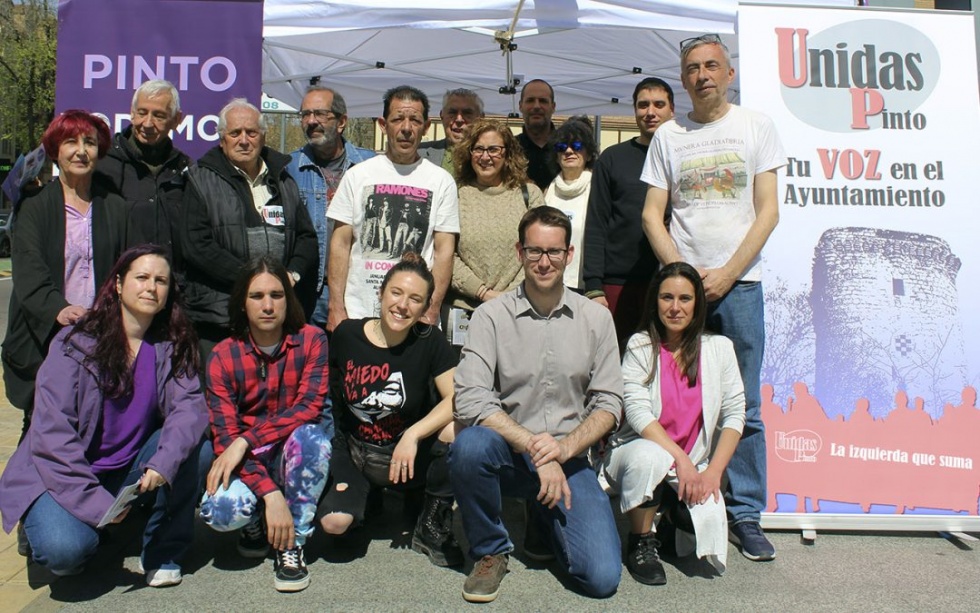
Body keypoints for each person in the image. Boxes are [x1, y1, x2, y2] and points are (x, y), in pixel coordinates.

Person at [641, 33, 785, 561]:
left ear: (729, 73)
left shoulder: (756, 126)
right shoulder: (668, 135)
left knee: (744, 405)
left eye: (711, 66)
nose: (702, 75)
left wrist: (727, 273)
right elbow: (651, 215)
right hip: (683, 293)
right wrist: (682, 277)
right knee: (671, 400)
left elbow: (768, 211)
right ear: (683, 80)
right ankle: (669, 506)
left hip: (740, 286)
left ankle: (745, 513)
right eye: (692, 69)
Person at [0, 245, 208, 587]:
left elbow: (189, 409)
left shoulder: (171, 343)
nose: (151, 287)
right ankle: (53, 521)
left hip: (125, 469)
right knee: (65, 552)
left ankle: (163, 549)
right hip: (61, 472)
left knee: (196, 450)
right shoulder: (75, 342)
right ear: (118, 284)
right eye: (141, 277)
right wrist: (96, 505)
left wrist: (163, 462)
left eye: (161, 281)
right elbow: (53, 438)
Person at [451, 206, 623, 603]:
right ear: (520, 252)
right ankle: (491, 549)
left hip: (570, 456)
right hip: (509, 453)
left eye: (554, 252)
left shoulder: (596, 320)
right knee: (469, 447)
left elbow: (609, 402)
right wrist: (534, 447)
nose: (544, 262)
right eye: (534, 251)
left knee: (601, 578)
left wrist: (561, 450)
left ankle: (545, 518)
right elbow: (471, 397)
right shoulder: (490, 317)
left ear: (569, 254)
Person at [603, 262, 745, 585]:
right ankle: (640, 540)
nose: (675, 307)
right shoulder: (640, 345)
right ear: (655, 301)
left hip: (693, 464)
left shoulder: (720, 349)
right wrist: (680, 460)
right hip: (641, 451)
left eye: (685, 298)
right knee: (649, 457)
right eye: (667, 297)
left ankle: (668, 517)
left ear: (698, 303)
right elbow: (638, 413)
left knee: (694, 531)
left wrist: (713, 473)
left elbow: (735, 413)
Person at [317, 253, 462, 567]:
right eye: (396, 293)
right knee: (335, 524)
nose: (403, 305)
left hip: (407, 457)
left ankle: (430, 519)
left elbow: (457, 398)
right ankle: (367, 496)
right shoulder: (347, 335)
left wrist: (413, 434)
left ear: (425, 308)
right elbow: (333, 403)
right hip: (356, 453)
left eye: (415, 299)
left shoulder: (430, 341)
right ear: (381, 292)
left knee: (459, 430)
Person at [200, 256, 332, 593]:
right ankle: (257, 520)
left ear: (289, 299)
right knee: (220, 511)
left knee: (313, 439)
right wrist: (271, 495)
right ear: (242, 304)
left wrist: (245, 440)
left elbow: (308, 407)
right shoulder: (223, 356)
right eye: (257, 296)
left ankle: (292, 544)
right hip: (250, 462)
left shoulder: (312, 340)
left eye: (276, 295)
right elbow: (225, 438)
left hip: (291, 452)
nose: (268, 305)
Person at [2, 110, 132, 440]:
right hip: (46, 339)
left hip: (100, 339)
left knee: (93, 431)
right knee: (41, 434)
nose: (81, 151)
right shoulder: (35, 206)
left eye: (89, 142)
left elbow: (127, 269)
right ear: (55, 150)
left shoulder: (115, 206)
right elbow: (29, 271)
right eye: (71, 142)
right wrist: (59, 309)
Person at [180, 98, 319, 357]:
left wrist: (292, 275)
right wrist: (251, 279)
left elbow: (306, 237)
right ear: (222, 139)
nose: (244, 140)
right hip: (221, 318)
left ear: (263, 137)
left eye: (251, 132)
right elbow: (196, 245)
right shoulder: (200, 179)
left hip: (276, 318)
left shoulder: (283, 179)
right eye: (235, 133)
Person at [326, 85, 459, 332]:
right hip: (359, 315)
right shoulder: (357, 176)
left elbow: (444, 251)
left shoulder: (441, 181)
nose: (406, 128)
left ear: (426, 127)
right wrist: (336, 307)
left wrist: (431, 310)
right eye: (398, 119)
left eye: (415, 120)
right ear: (383, 125)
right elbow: (340, 244)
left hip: (415, 318)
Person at [583, 77, 675, 350]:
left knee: (665, 360)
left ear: (672, 110)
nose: (650, 112)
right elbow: (596, 222)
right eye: (643, 105)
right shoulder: (612, 158)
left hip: (670, 281)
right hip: (618, 284)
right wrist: (594, 286)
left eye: (659, 104)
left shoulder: (683, 156)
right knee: (615, 361)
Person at [446, 118, 543, 346]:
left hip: (519, 307)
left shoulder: (529, 195)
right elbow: (446, 253)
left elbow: (540, 250)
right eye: (478, 149)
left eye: (493, 149)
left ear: (507, 153)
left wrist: (510, 295)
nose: (485, 156)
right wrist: (482, 293)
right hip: (466, 311)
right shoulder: (455, 194)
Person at [287, 85, 376, 328]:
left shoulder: (370, 166)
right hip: (307, 293)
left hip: (358, 292)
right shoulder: (289, 168)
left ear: (341, 122)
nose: (311, 121)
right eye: (305, 114)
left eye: (320, 113)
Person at [96, 79, 190, 269]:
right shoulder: (103, 164)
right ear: (131, 113)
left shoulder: (185, 170)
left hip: (171, 280)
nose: (147, 123)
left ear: (177, 120)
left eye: (159, 116)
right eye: (142, 113)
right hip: (119, 279)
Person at [543, 116, 598, 292]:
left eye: (577, 146)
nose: (568, 151)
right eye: (561, 147)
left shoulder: (598, 189)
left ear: (588, 154)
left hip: (585, 285)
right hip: (550, 282)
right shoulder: (547, 191)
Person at [419, 88, 485, 175]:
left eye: (467, 113)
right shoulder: (418, 152)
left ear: (481, 118)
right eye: (452, 112)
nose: (459, 120)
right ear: (442, 116)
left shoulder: (492, 157)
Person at [517, 79, 559, 191]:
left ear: (553, 107)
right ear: (520, 106)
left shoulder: (566, 148)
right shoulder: (510, 148)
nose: (536, 106)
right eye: (530, 100)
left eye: (543, 101)